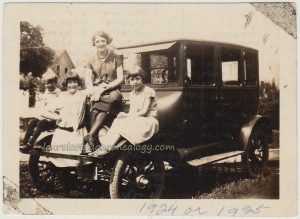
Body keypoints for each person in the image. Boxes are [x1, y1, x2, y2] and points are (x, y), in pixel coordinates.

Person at [89, 66, 159, 157]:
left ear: (142, 79)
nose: (135, 82)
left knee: (122, 123)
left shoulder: (148, 91)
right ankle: (107, 145)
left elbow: (144, 112)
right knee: (118, 120)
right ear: (129, 81)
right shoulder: (132, 93)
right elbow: (133, 111)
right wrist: (125, 114)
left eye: (138, 79)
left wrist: (128, 116)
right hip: (138, 119)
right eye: (132, 80)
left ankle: (106, 148)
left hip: (148, 121)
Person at [84, 30, 124, 148]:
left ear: (107, 42)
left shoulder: (116, 57)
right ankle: (92, 138)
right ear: (94, 43)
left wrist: (103, 89)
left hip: (112, 88)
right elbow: (87, 78)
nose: (100, 43)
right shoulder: (90, 59)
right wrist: (91, 89)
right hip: (96, 88)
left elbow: (120, 78)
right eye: (97, 41)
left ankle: (90, 136)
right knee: (90, 101)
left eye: (103, 41)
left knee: (111, 98)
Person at [20, 69, 61, 153]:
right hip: (45, 116)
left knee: (41, 124)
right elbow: (43, 106)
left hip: (53, 119)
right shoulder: (46, 92)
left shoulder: (58, 93)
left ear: (55, 82)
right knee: (32, 122)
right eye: (47, 83)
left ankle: (30, 144)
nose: (49, 85)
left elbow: (57, 108)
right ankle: (25, 142)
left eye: (51, 83)